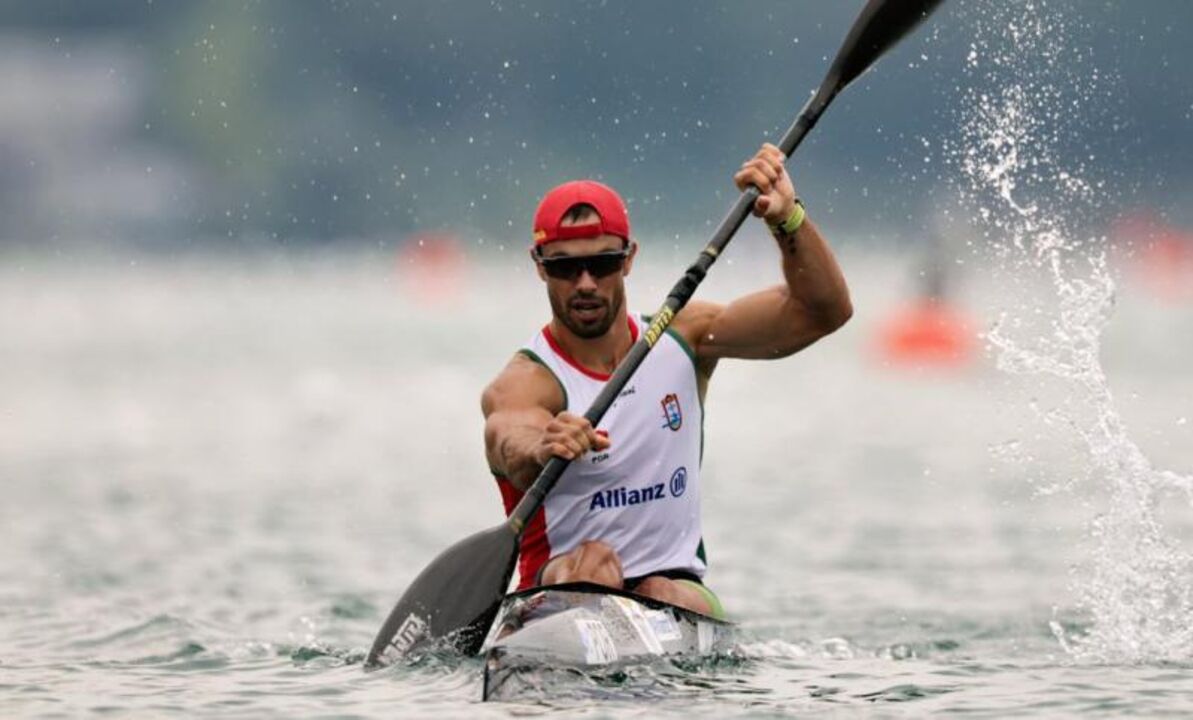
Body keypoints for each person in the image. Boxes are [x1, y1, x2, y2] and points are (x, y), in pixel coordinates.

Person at [481, 143, 852, 618]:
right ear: (539, 267)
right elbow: (509, 438)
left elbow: (825, 312)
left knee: (660, 590)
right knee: (592, 567)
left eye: (604, 262)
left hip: (673, 591)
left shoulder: (685, 339)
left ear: (630, 258)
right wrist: (543, 446)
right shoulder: (528, 381)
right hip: (561, 593)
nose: (587, 283)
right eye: (565, 268)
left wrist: (787, 220)